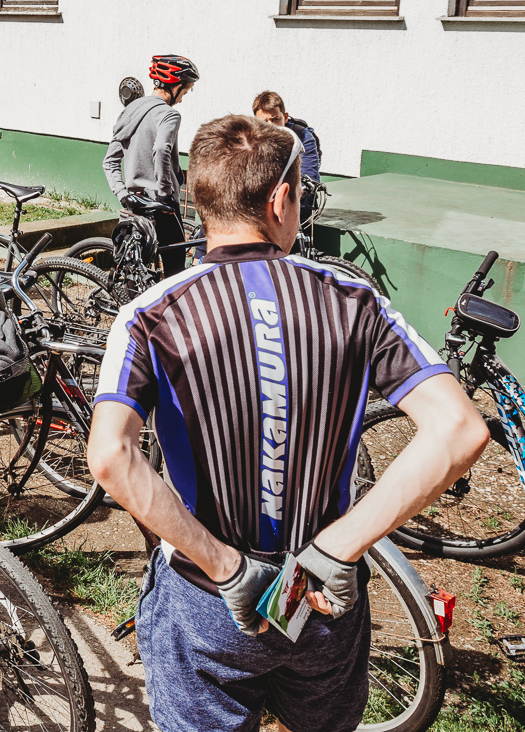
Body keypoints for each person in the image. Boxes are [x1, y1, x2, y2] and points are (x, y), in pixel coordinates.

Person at [86, 112, 489, 732]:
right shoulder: (354, 299)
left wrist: (223, 564)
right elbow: (459, 430)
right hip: (321, 595)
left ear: (200, 202)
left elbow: (111, 456)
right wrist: (337, 548)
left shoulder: (151, 314)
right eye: (303, 196)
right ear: (280, 201)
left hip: (208, 595)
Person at [103, 54, 199, 277]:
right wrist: (165, 193)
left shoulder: (129, 111)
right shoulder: (169, 114)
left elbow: (109, 160)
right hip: (160, 207)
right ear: (176, 84)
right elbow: (162, 150)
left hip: (132, 205)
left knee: (133, 273)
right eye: (184, 91)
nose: (182, 99)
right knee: (176, 273)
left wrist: (122, 193)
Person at [254, 90, 323, 221]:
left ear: (285, 117)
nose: (271, 126)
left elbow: (310, 175)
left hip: (296, 204)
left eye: (276, 119)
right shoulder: (250, 139)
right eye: (265, 121)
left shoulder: (302, 137)